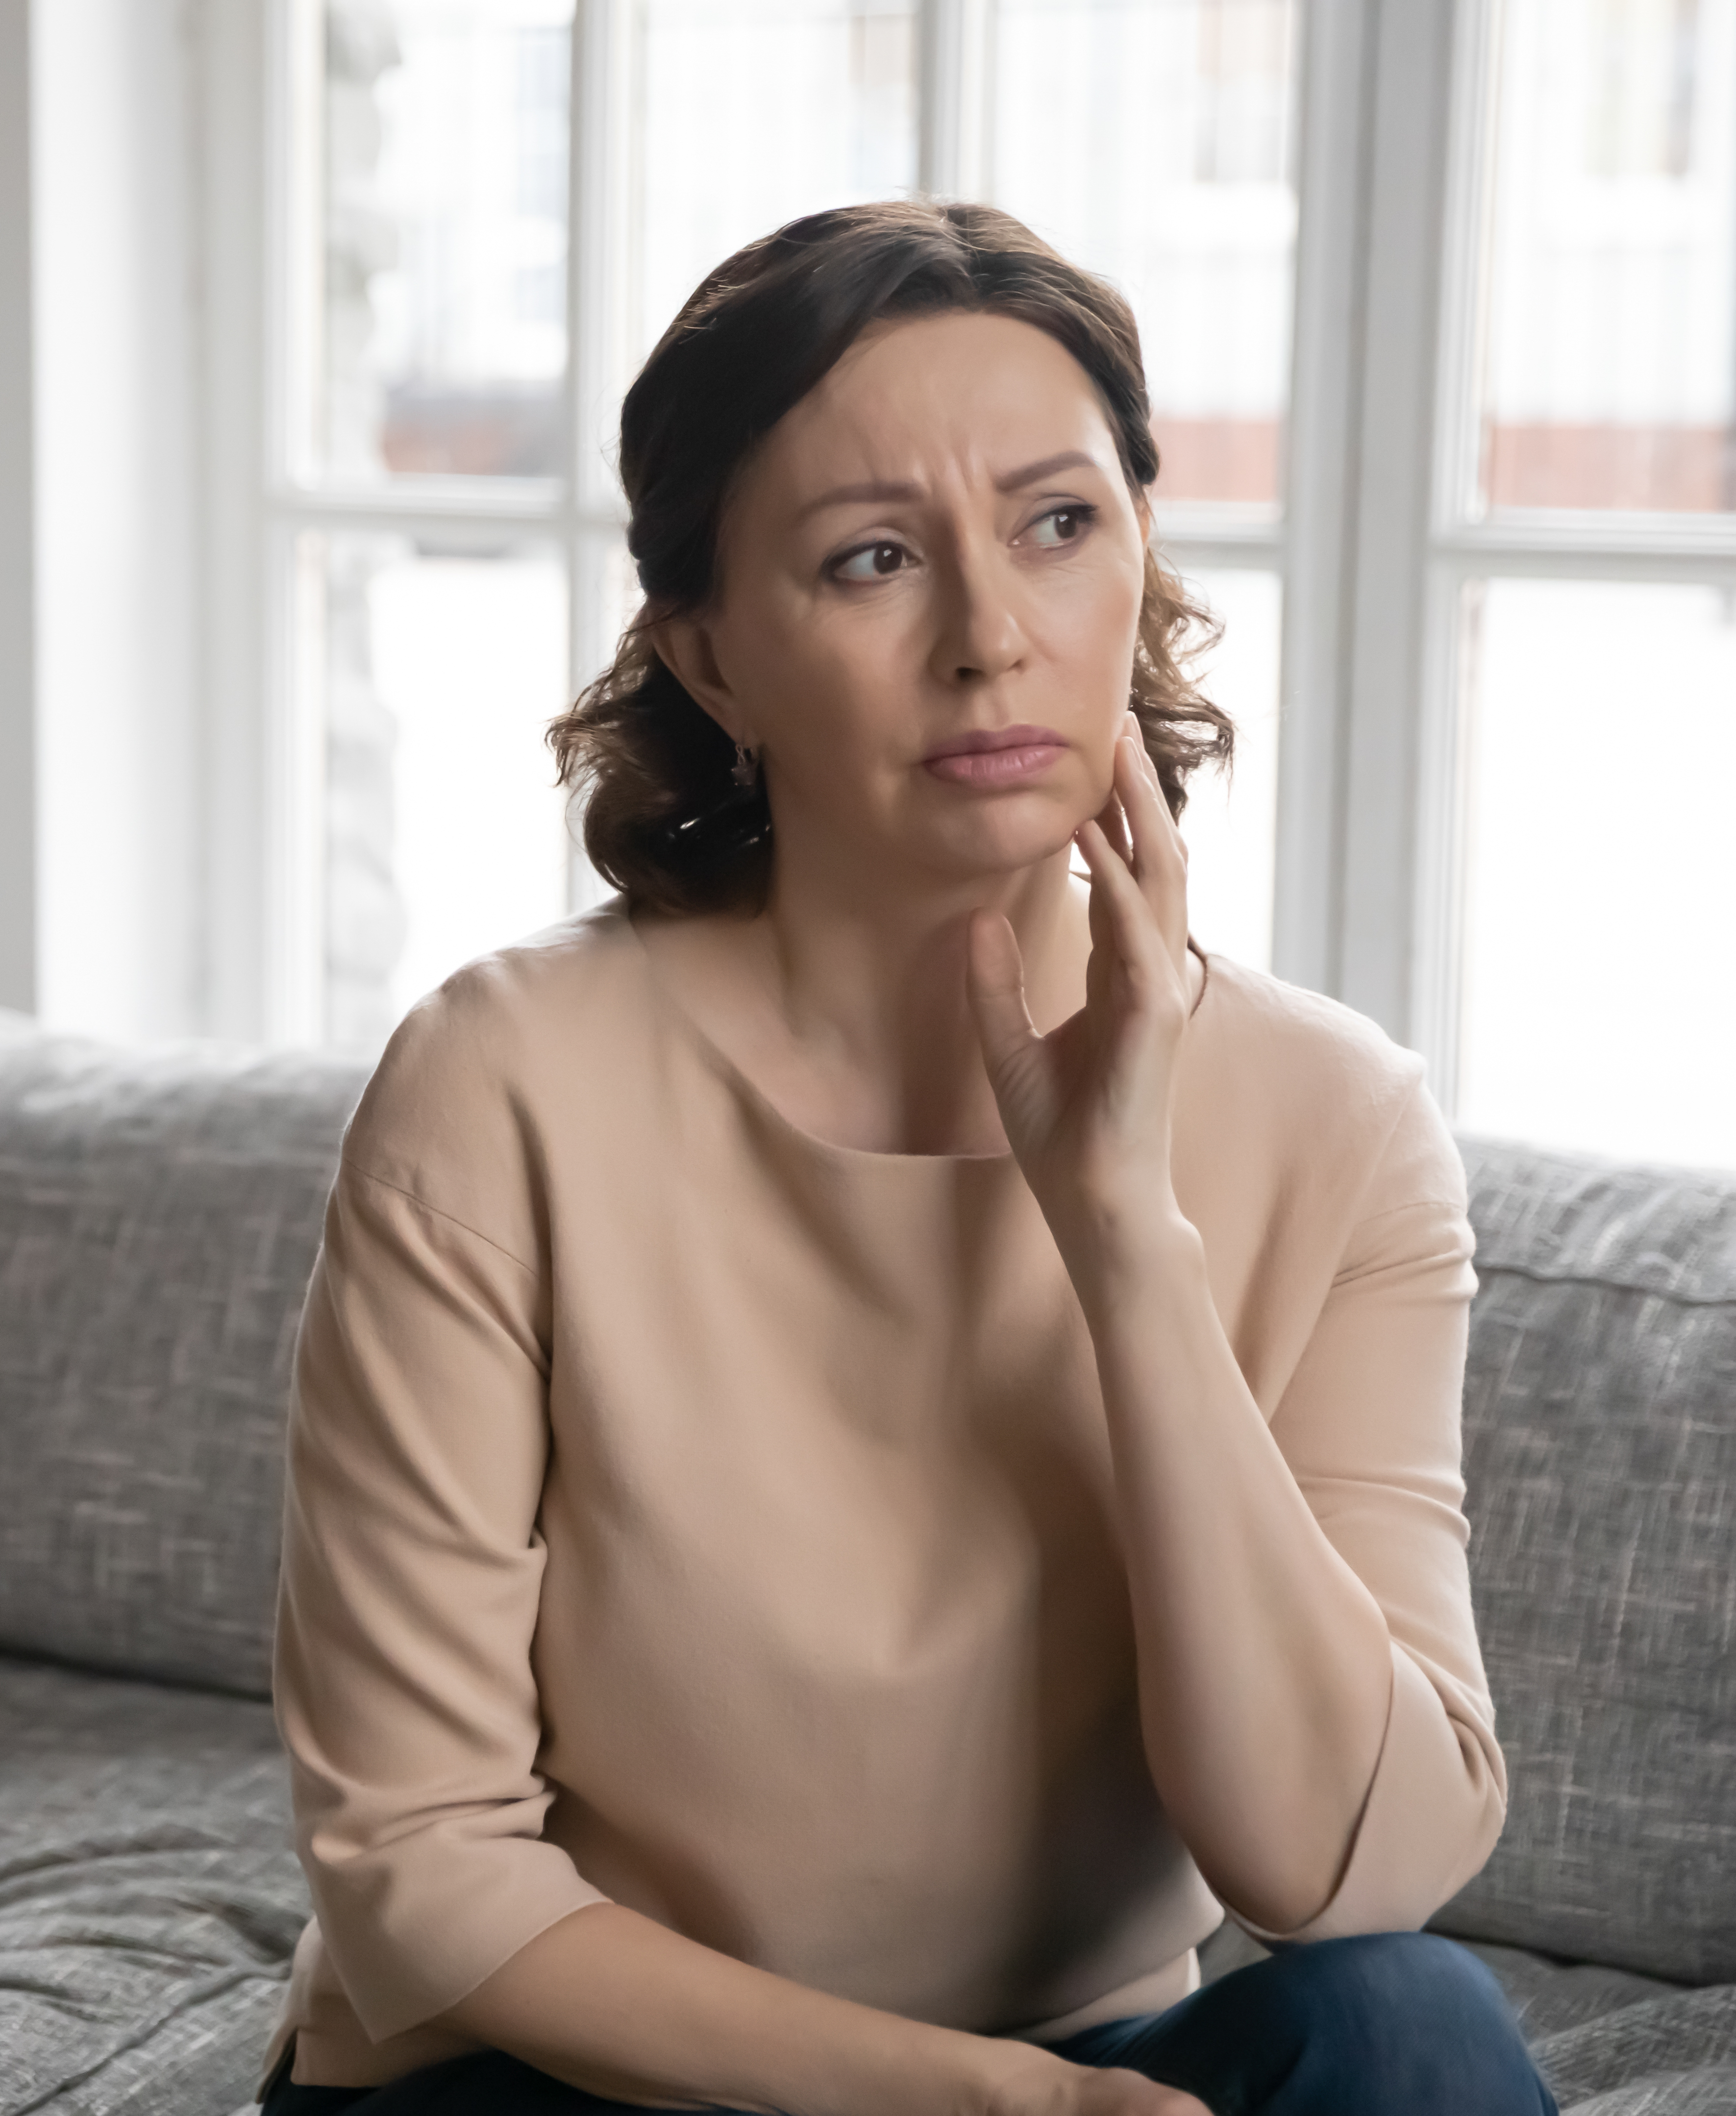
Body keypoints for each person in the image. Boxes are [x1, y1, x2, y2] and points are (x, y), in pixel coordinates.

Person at [265, 200, 1550, 2116]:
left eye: (1056, 526)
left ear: (1136, 558)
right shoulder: (500, 1083)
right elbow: (417, 1860)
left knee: (1403, 2033)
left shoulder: (1335, 1124)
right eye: (868, 560)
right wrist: (983, 2105)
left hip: (1093, 2059)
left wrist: (1123, 1233)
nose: (987, 639)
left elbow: (1350, 1868)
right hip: (563, 2074)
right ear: (706, 656)